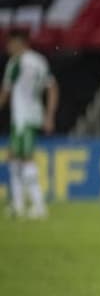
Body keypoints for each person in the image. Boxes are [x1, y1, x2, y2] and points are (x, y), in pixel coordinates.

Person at [1, 29, 58, 219]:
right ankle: (18, 205)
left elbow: (5, 93)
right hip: (32, 116)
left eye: (10, 43)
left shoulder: (16, 63)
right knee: (14, 159)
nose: (7, 47)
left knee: (25, 159)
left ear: (20, 43)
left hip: (23, 118)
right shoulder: (40, 61)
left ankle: (38, 206)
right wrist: (49, 115)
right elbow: (52, 88)